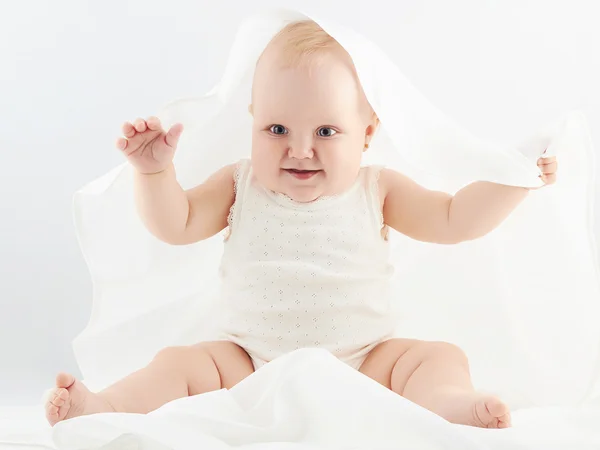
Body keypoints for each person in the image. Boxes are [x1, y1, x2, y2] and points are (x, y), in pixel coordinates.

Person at [45, 19, 557, 429]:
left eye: (327, 131)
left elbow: (453, 219)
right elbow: (174, 225)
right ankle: (105, 406)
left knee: (438, 356)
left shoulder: (377, 189)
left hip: (366, 363)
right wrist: (155, 173)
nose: (300, 149)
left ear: (366, 134)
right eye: (277, 128)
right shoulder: (238, 185)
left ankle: (451, 405)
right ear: (252, 121)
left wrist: (514, 180)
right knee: (177, 364)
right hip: (247, 363)